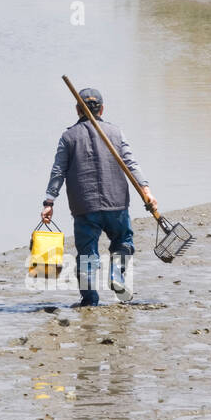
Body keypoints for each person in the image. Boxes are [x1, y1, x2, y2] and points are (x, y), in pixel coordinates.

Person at [41, 88, 157, 307]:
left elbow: (58, 171)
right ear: (102, 109)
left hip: (85, 206)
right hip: (117, 204)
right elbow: (131, 163)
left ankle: (89, 300)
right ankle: (116, 274)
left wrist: (49, 202)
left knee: (87, 255)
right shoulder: (115, 132)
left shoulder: (68, 136)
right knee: (123, 242)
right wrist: (146, 190)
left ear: (77, 110)